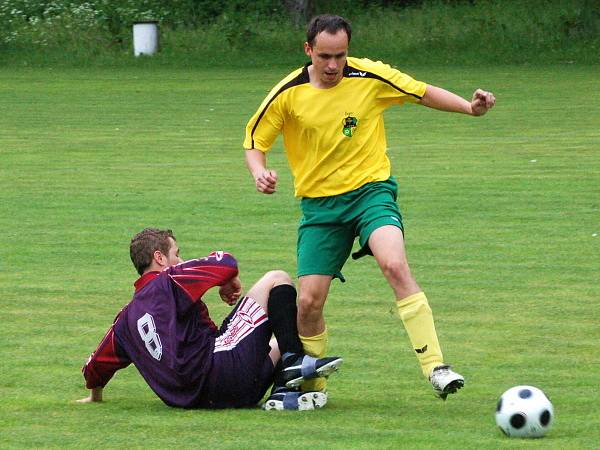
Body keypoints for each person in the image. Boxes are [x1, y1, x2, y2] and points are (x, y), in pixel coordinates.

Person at [243, 14, 496, 399]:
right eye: (324, 56)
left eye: (340, 56)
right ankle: (313, 385)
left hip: (370, 193)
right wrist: (259, 171)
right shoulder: (288, 92)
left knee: (394, 263)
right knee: (308, 301)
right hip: (321, 208)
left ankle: (436, 367)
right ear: (308, 50)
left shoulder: (370, 77)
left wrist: (470, 108)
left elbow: (422, 92)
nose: (332, 66)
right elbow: (254, 140)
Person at [77, 228, 343, 410]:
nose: (179, 259)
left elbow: (96, 367)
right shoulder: (169, 280)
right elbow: (224, 261)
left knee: (279, 340)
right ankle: (293, 366)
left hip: (195, 399)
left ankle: (285, 388)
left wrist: (95, 396)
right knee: (277, 278)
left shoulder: (124, 322)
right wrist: (229, 279)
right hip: (225, 373)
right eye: (176, 253)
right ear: (159, 258)